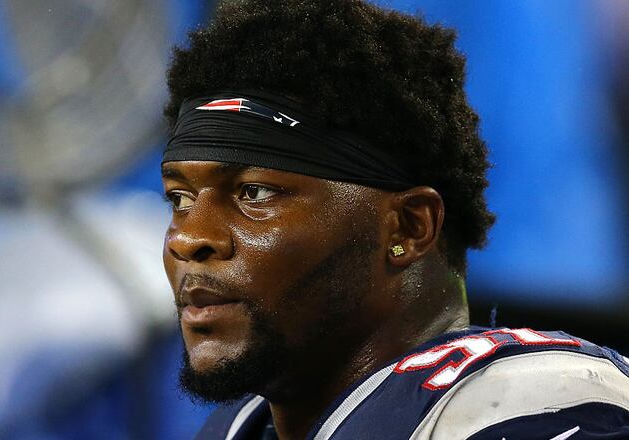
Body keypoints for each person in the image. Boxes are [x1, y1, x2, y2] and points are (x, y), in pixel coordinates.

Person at [159, 0, 629, 438]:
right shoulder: (241, 424)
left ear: (409, 227)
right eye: (179, 198)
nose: (189, 238)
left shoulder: (536, 406)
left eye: (254, 193)